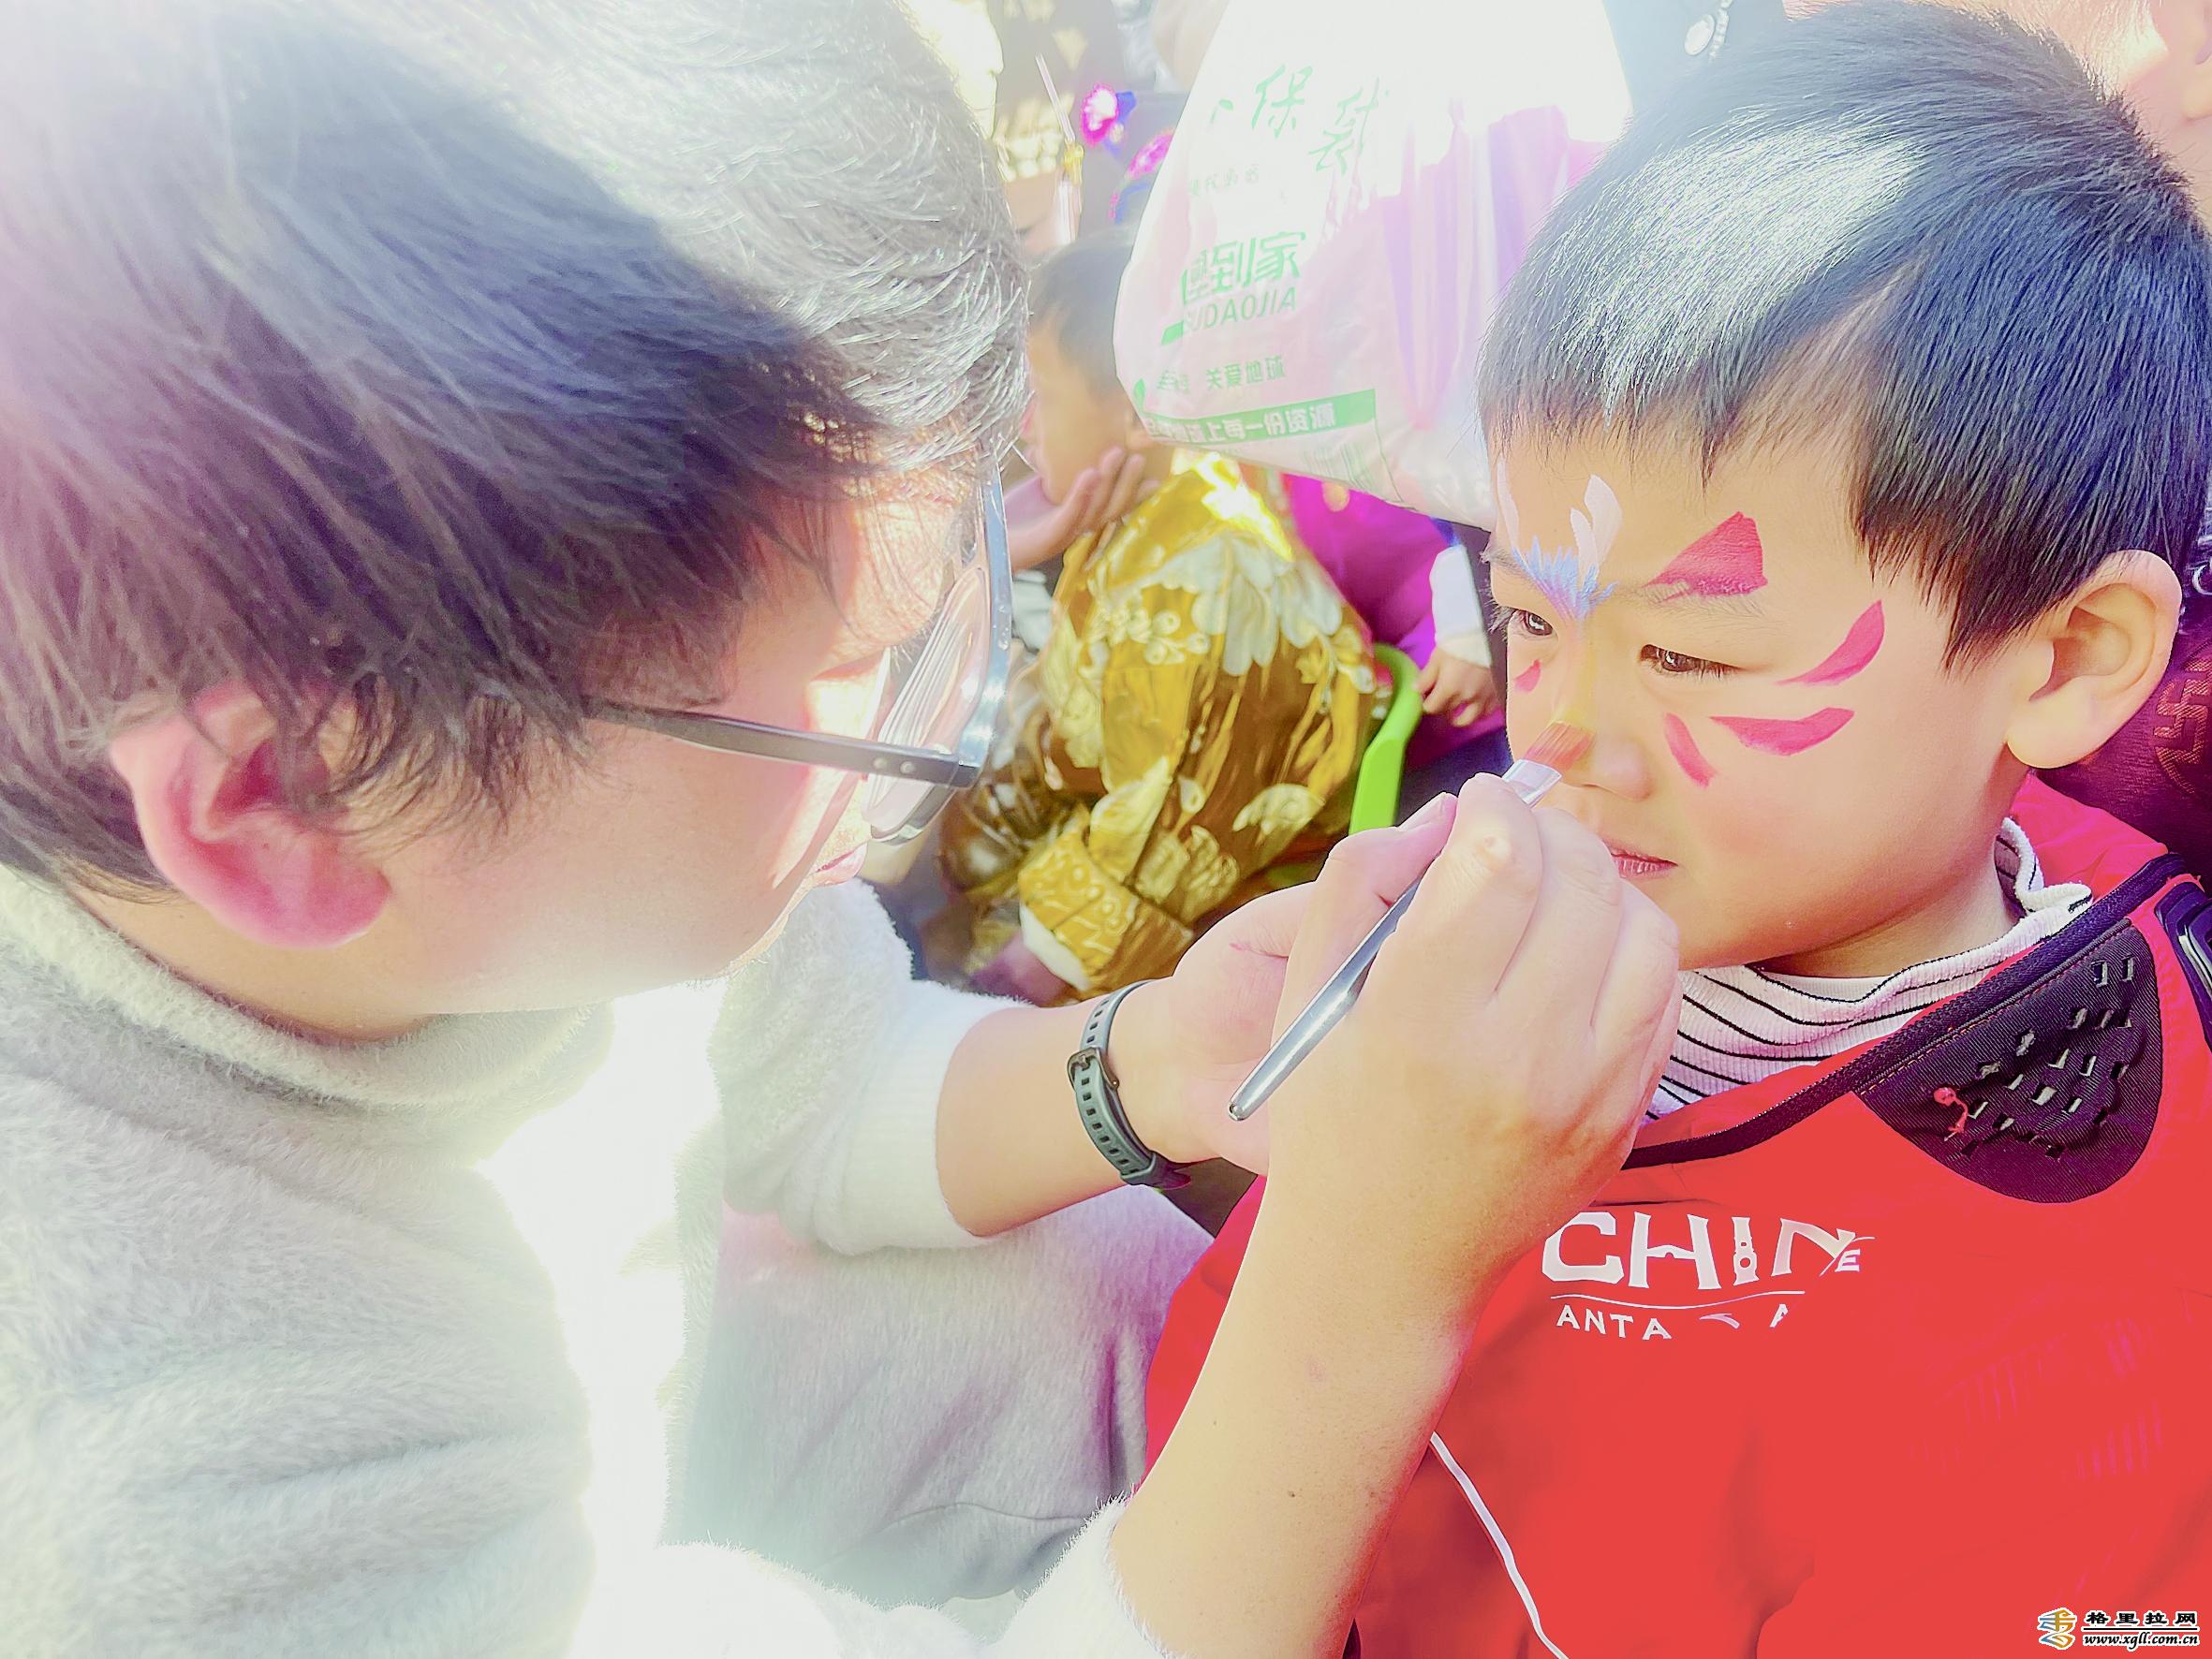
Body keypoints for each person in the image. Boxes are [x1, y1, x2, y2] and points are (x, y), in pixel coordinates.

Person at [0, 3, 1683, 1656]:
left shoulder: (508, 836)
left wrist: (1159, 1055)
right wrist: (1367, 1289)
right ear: (287, 803)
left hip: (674, 1379)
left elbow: (813, 1068)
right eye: (854, 663)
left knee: (1111, 1283)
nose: (916, 742)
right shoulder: (168, 1519)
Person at [1148, 7, 2212, 1652]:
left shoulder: (2100, 1326)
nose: (1561, 728)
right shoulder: (1479, 983)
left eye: (1688, 657)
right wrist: (1342, 1176)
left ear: (2063, 659)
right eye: (1530, 618)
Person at [939, 234, 1376, 1003]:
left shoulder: (1203, 585)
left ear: (1143, 409)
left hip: (1191, 942)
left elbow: (1150, 854)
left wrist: (992, 992)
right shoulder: (1153, 508)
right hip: (1086, 847)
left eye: (1040, 394)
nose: (1024, 424)